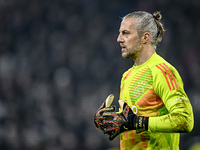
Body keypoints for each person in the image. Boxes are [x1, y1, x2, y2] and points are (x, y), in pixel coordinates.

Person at [94, 11, 194, 150]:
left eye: (126, 33)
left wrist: (139, 122)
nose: (119, 39)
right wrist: (111, 119)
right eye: (120, 33)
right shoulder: (127, 75)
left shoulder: (162, 71)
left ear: (145, 37)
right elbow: (134, 118)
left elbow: (184, 120)